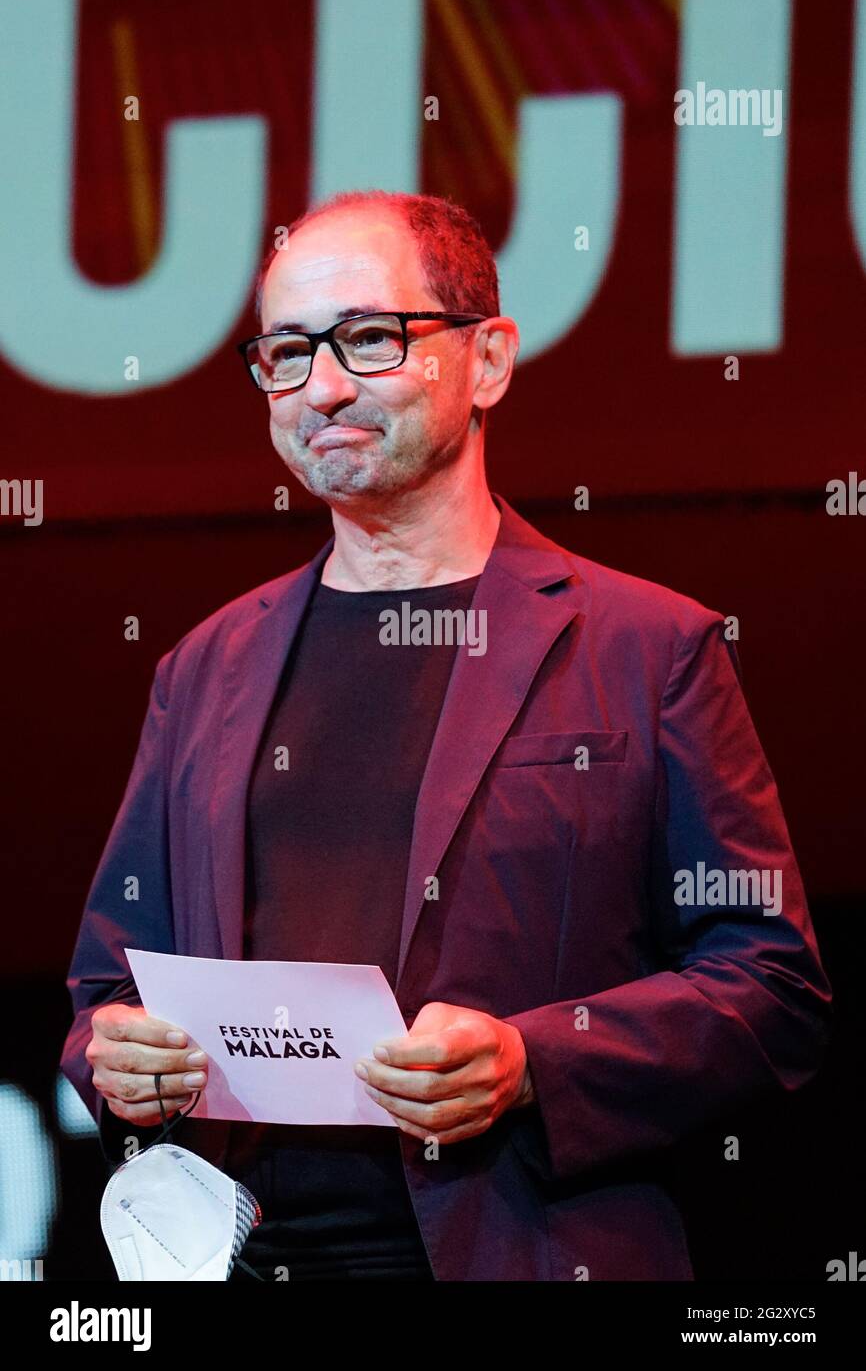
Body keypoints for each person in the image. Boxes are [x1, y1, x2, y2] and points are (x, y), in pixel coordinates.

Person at [60, 190, 832, 1282]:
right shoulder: (204, 669)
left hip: (524, 1249)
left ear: (489, 361)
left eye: (370, 339)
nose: (321, 387)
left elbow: (768, 985)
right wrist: (114, 1059)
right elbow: (105, 990)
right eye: (285, 352)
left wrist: (532, 1061)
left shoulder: (646, 647)